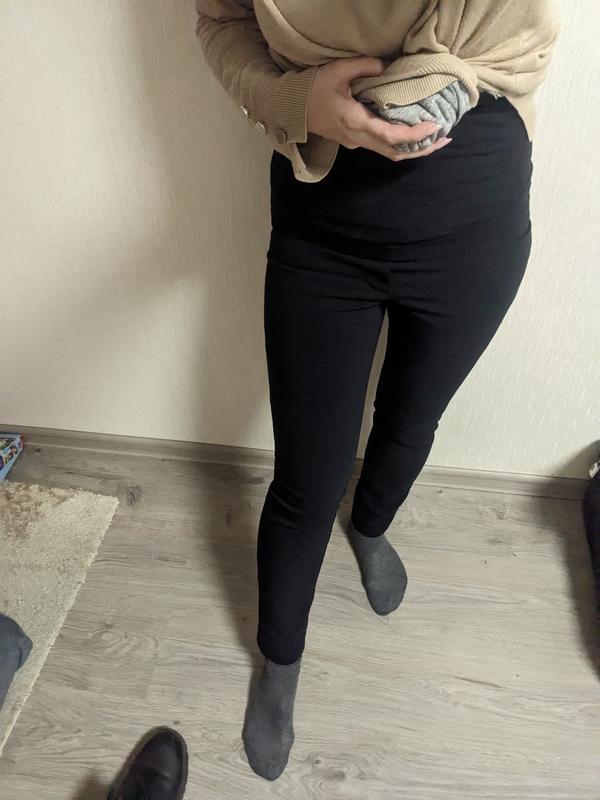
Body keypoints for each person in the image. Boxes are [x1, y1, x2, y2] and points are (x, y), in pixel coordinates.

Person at [194, 0, 560, 782]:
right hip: (322, 232)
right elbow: (221, 22)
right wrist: (294, 98)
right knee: (306, 477)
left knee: (411, 420)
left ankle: (369, 525)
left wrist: (428, 80)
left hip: (477, 227)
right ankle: (280, 660)